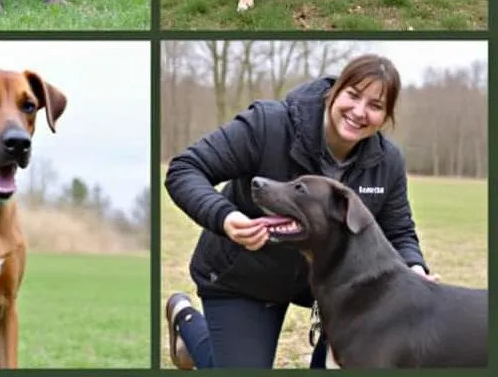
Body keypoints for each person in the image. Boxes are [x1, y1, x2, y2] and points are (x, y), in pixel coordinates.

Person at [163, 54, 439, 369]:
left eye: (375, 106)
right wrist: (225, 217)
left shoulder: (386, 161)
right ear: (334, 92)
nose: (359, 112)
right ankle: (186, 322)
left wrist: (414, 267)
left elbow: (399, 230)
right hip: (245, 277)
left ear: (386, 116)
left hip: (333, 291)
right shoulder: (269, 124)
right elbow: (185, 169)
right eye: (353, 95)